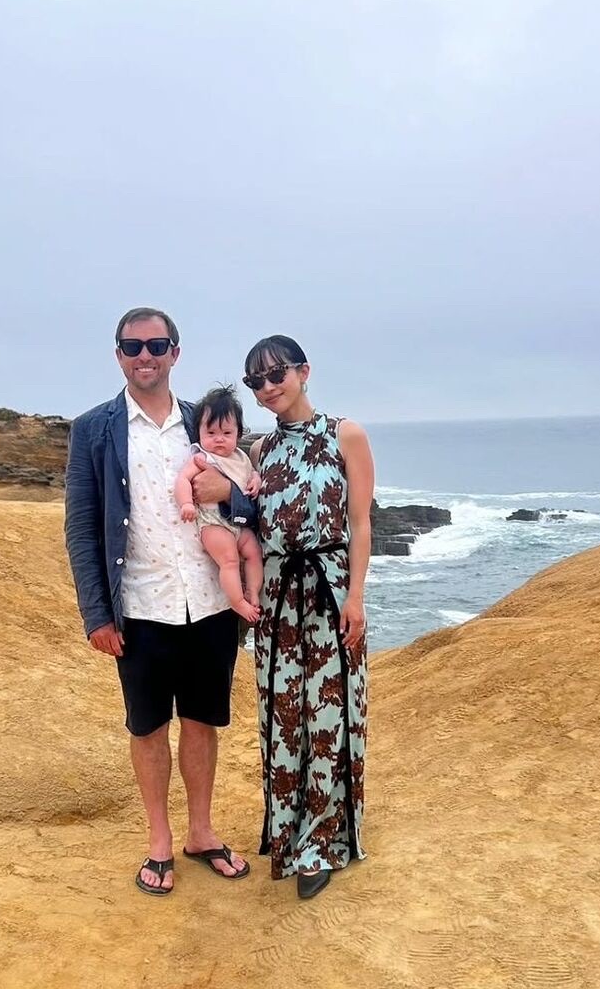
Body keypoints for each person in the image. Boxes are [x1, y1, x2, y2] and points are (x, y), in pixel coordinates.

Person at [65, 307, 257, 897]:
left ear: (175, 352)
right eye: (132, 346)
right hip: (141, 606)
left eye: (156, 345)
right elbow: (82, 527)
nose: (144, 356)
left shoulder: (209, 422)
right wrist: (97, 614)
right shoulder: (93, 429)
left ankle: (201, 832)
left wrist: (232, 496)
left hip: (210, 603)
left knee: (201, 722)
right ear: (118, 355)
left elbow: (254, 500)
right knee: (147, 726)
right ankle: (159, 840)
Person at [244, 334, 373, 900]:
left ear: (304, 372)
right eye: (256, 381)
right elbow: (247, 527)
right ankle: (286, 826)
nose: (268, 387)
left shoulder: (346, 434)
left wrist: (356, 597)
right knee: (282, 714)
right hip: (276, 597)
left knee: (329, 715)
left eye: (277, 375)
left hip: (330, 590)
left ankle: (323, 841)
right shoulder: (259, 451)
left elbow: (361, 523)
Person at [174, 386, 263, 625]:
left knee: (254, 553)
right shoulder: (202, 457)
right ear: (199, 433)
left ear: (238, 433)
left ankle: (252, 591)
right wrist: (186, 503)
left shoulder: (241, 457)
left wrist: (255, 480)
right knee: (230, 560)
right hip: (212, 523)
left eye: (226, 432)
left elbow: (251, 474)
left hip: (237, 524)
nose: (219, 439)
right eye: (211, 432)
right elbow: (182, 480)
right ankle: (238, 602)